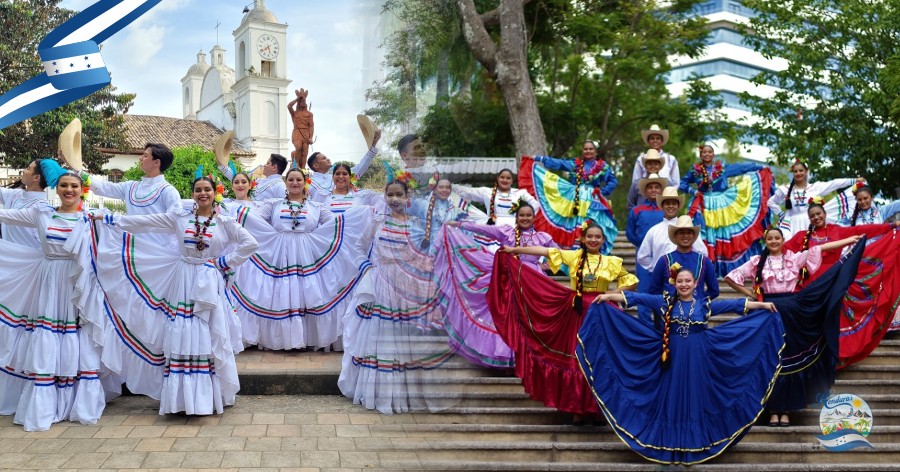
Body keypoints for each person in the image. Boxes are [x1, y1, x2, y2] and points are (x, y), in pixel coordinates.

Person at [577, 269, 783, 465]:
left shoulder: (704, 305)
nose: (684, 284)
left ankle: (696, 441)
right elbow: (637, 298)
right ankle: (669, 441)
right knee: (672, 395)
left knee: (696, 394)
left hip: (698, 358)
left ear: (695, 284)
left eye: (688, 281)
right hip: (672, 358)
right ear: (674, 284)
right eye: (680, 281)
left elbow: (735, 304)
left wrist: (763, 306)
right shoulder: (664, 302)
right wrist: (608, 297)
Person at [93, 176, 258, 416]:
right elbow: (145, 222)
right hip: (183, 278)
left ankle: (205, 398)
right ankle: (181, 399)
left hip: (208, 279)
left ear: (215, 193)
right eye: (198, 190)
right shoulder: (180, 218)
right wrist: (110, 219)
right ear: (193, 194)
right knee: (183, 329)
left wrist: (223, 262)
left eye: (207, 189)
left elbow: (250, 243)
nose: (203, 193)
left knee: (206, 330)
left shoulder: (224, 222)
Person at [495, 222, 638, 423]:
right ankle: (577, 408)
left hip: (601, 313)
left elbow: (632, 281)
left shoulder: (610, 261)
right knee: (576, 358)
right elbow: (545, 250)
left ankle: (598, 409)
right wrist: (514, 250)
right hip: (576, 313)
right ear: (583, 239)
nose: (594, 240)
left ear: (603, 240)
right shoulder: (574, 256)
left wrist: (610, 294)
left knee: (598, 359)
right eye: (590, 236)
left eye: (598, 237)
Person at [725, 227, 864, 428]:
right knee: (771, 361)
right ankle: (773, 410)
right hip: (767, 313)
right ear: (766, 242)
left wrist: (850, 240)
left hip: (792, 312)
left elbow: (821, 248)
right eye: (770, 238)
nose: (774, 241)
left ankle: (786, 411)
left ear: (783, 240)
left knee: (790, 360)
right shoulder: (756, 261)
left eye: (777, 238)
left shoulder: (793, 258)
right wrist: (752, 295)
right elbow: (731, 277)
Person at [0, 171, 107, 431]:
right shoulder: (42, 213)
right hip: (50, 279)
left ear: (82, 190)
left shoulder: (90, 218)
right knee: (49, 334)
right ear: (56, 189)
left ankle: (76, 405)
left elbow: (109, 247)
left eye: (74, 186)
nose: (69, 190)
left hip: (78, 282)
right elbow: (6, 215)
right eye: (64, 185)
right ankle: (43, 407)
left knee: (77, 334)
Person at [338, 178, 452, 414]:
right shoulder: (376, 221)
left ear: (408, 197)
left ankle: (408, 395)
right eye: (390, 195)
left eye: (399, 194)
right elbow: (357, 247)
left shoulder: (417, 224)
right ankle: (381, 394)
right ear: (385, 197)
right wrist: (367, 268)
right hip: (381, 284)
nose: (394, 199)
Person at [230, 168, 372, 351]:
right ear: (285, 182)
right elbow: (253, 219)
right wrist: (232, 213)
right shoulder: (273, 204)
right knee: (281, 292)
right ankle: (283, 339)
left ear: (305, 182)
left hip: (307, 253)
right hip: (279, 254)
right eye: (290, 179)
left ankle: (304, 338)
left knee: (307, 292)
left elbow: (336, 223)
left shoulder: (316, 206)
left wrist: (362, 215)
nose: (294, 183)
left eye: (298, 179)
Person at [436, 201, 557, 368]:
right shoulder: (506, 232)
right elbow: (483, 229)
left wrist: (545, 266)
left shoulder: (543, 237)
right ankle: (507, 354)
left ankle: (528, 356)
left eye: (528, 215)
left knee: (529, 316)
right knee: (507, 315)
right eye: (521, 215)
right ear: (516, 217)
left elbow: (559, 254)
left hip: (533, 281)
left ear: (534, 217)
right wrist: (459, 225)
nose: (525, 218)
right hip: (509, 278)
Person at [680, 144, 774, 275]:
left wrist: (759, 167)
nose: (707, 154)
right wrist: (693, 191)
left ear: (713, 154)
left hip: (722, 205)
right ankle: (707, 268)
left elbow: (740, 168)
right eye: (704, 152)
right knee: (707, 233)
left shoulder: (722, 168)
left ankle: (727, 269)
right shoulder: (695, 170)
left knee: (724, 232)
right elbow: (681, 183)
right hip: (703, 204)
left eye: (710, 152)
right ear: (701, 155)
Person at [520, 141, 618, 250]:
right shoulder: (575, 164)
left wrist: (602, 192)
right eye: (585, 149)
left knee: (594, 223)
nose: (588, 151)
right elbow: (560, 163)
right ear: (582, 151)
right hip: (575, 199)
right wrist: (538, 158)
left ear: (595, 151)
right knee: (575, 223)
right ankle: (575, 251)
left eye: (591, 149)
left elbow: (613, 181)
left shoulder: (602, 166)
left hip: (593, 199)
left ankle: (594, 251)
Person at [88, 143, 182, 247]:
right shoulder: (131, 187)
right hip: (133, 248)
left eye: (145, 156)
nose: (140, 158)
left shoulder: (168, 191)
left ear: (156, 162)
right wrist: (81, 175)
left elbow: (173, 219)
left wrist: (116, 219)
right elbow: (105, 188)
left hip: (159, 250)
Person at [784, 197, 897, 282]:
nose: (816, 217)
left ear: (825, 214)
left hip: (833, 277)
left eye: (818, 214)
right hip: (810, 282)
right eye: (812, 216)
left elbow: (861, 229)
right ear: (809, 219)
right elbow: (782, 249)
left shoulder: (836, 231)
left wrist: (891, 226)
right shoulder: (802, 236)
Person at [768, 160, 862, 240]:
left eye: (801, 170)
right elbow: (771, 202)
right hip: (792, 224)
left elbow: (833, 184)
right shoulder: (785, 189)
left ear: (806, 171)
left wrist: (853, 181)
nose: (798, 173)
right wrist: (781, 214)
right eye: (795, 171)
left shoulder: (815, 187)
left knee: (813, 246)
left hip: (812, 221)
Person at [649, 215, 719, 304]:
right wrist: (665, 304)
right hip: (669, 310)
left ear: (693, 236)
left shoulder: (704, 261)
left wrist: (700, 302)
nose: (685, 236)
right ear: (675, 235)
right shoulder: (664, 260)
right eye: (681, 232)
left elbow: (714, 290)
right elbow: (653, 290)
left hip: (696, 310)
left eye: (689, 233)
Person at [307, 129, 381, 204]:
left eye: (345, 174)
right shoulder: (309, 184)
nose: (328, 159)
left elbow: (359, 168)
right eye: (324, 158)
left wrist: (373, 145)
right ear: (316, 165)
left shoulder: (337, 175)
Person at [0, 158, 56, 247]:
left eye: (28, 168)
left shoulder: (41, 208)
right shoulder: (15, 194)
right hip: (7, 253)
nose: (24, 171)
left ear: (36, 177)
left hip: (29, 254)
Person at [452, 169, 538, 226]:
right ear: (497, 178)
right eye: (502, 177)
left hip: (513, 227)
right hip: (493, 226)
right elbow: (468, 192)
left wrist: (524, 218)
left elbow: (536, 205)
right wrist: (450, 186)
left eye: (508, 178)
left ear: (512, 180)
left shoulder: (520, 193)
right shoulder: (487, 192)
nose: (505, 180)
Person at [411, 179, 477, 248]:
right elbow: (407, 209)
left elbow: (469, 225)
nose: (444, 190)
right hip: (429, 246)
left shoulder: (455, 210)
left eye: (447, 187)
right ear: (435, 189)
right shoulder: (423, 204)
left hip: (449, 246)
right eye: (441, 187)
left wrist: (456, 226)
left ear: (450, 190)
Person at [315, 161, 380, 215]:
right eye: (337, 174)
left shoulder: (360, 196)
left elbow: (381, 202)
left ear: (350, 177)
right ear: (332, 177)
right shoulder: (323, 196)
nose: (341, 177)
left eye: (344, 174)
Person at [219, 153, 288, 202]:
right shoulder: (259, 180)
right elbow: (238, 179)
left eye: (267, 163)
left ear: (274, 167)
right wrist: (222, 166)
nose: (264, 165)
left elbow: (281, 209)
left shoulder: (280, 186)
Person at [626, 172, 666, 249]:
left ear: (661, 190)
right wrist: (640, 244)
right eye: (650, 187)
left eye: (657, 187)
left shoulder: (666, 210)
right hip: (642, 250)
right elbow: (629, 232)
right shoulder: (636, 210)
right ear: (645, 190)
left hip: (663, 250)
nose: (653, 190)